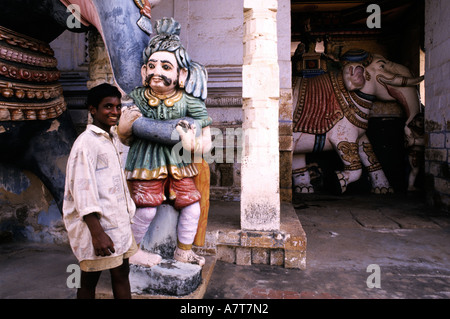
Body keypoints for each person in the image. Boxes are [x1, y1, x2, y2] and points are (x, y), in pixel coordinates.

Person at [118, 17, 212, 267]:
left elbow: (204, 123)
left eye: (166, 67)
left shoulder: (187, 100)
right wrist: (125, 128)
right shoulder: (137, 97)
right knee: (146, 209)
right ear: (143, 71)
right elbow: (126, 132)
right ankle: (132, 251)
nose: (156, 72)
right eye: (151, 65)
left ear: (182, 74)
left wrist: (197, 142)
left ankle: (184, 250)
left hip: (179, 163)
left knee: (192, 207)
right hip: (146, 161)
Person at [63, 83, 137, 299]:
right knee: (87, 280)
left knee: (122, 273)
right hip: (98, 228)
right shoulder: (86, 144)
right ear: (92, 109)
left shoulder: (111, 138)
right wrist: (97, 234)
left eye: (117, 106)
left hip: (118, 224)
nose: (115, 112)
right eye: (108, 107)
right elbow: (82, 191)